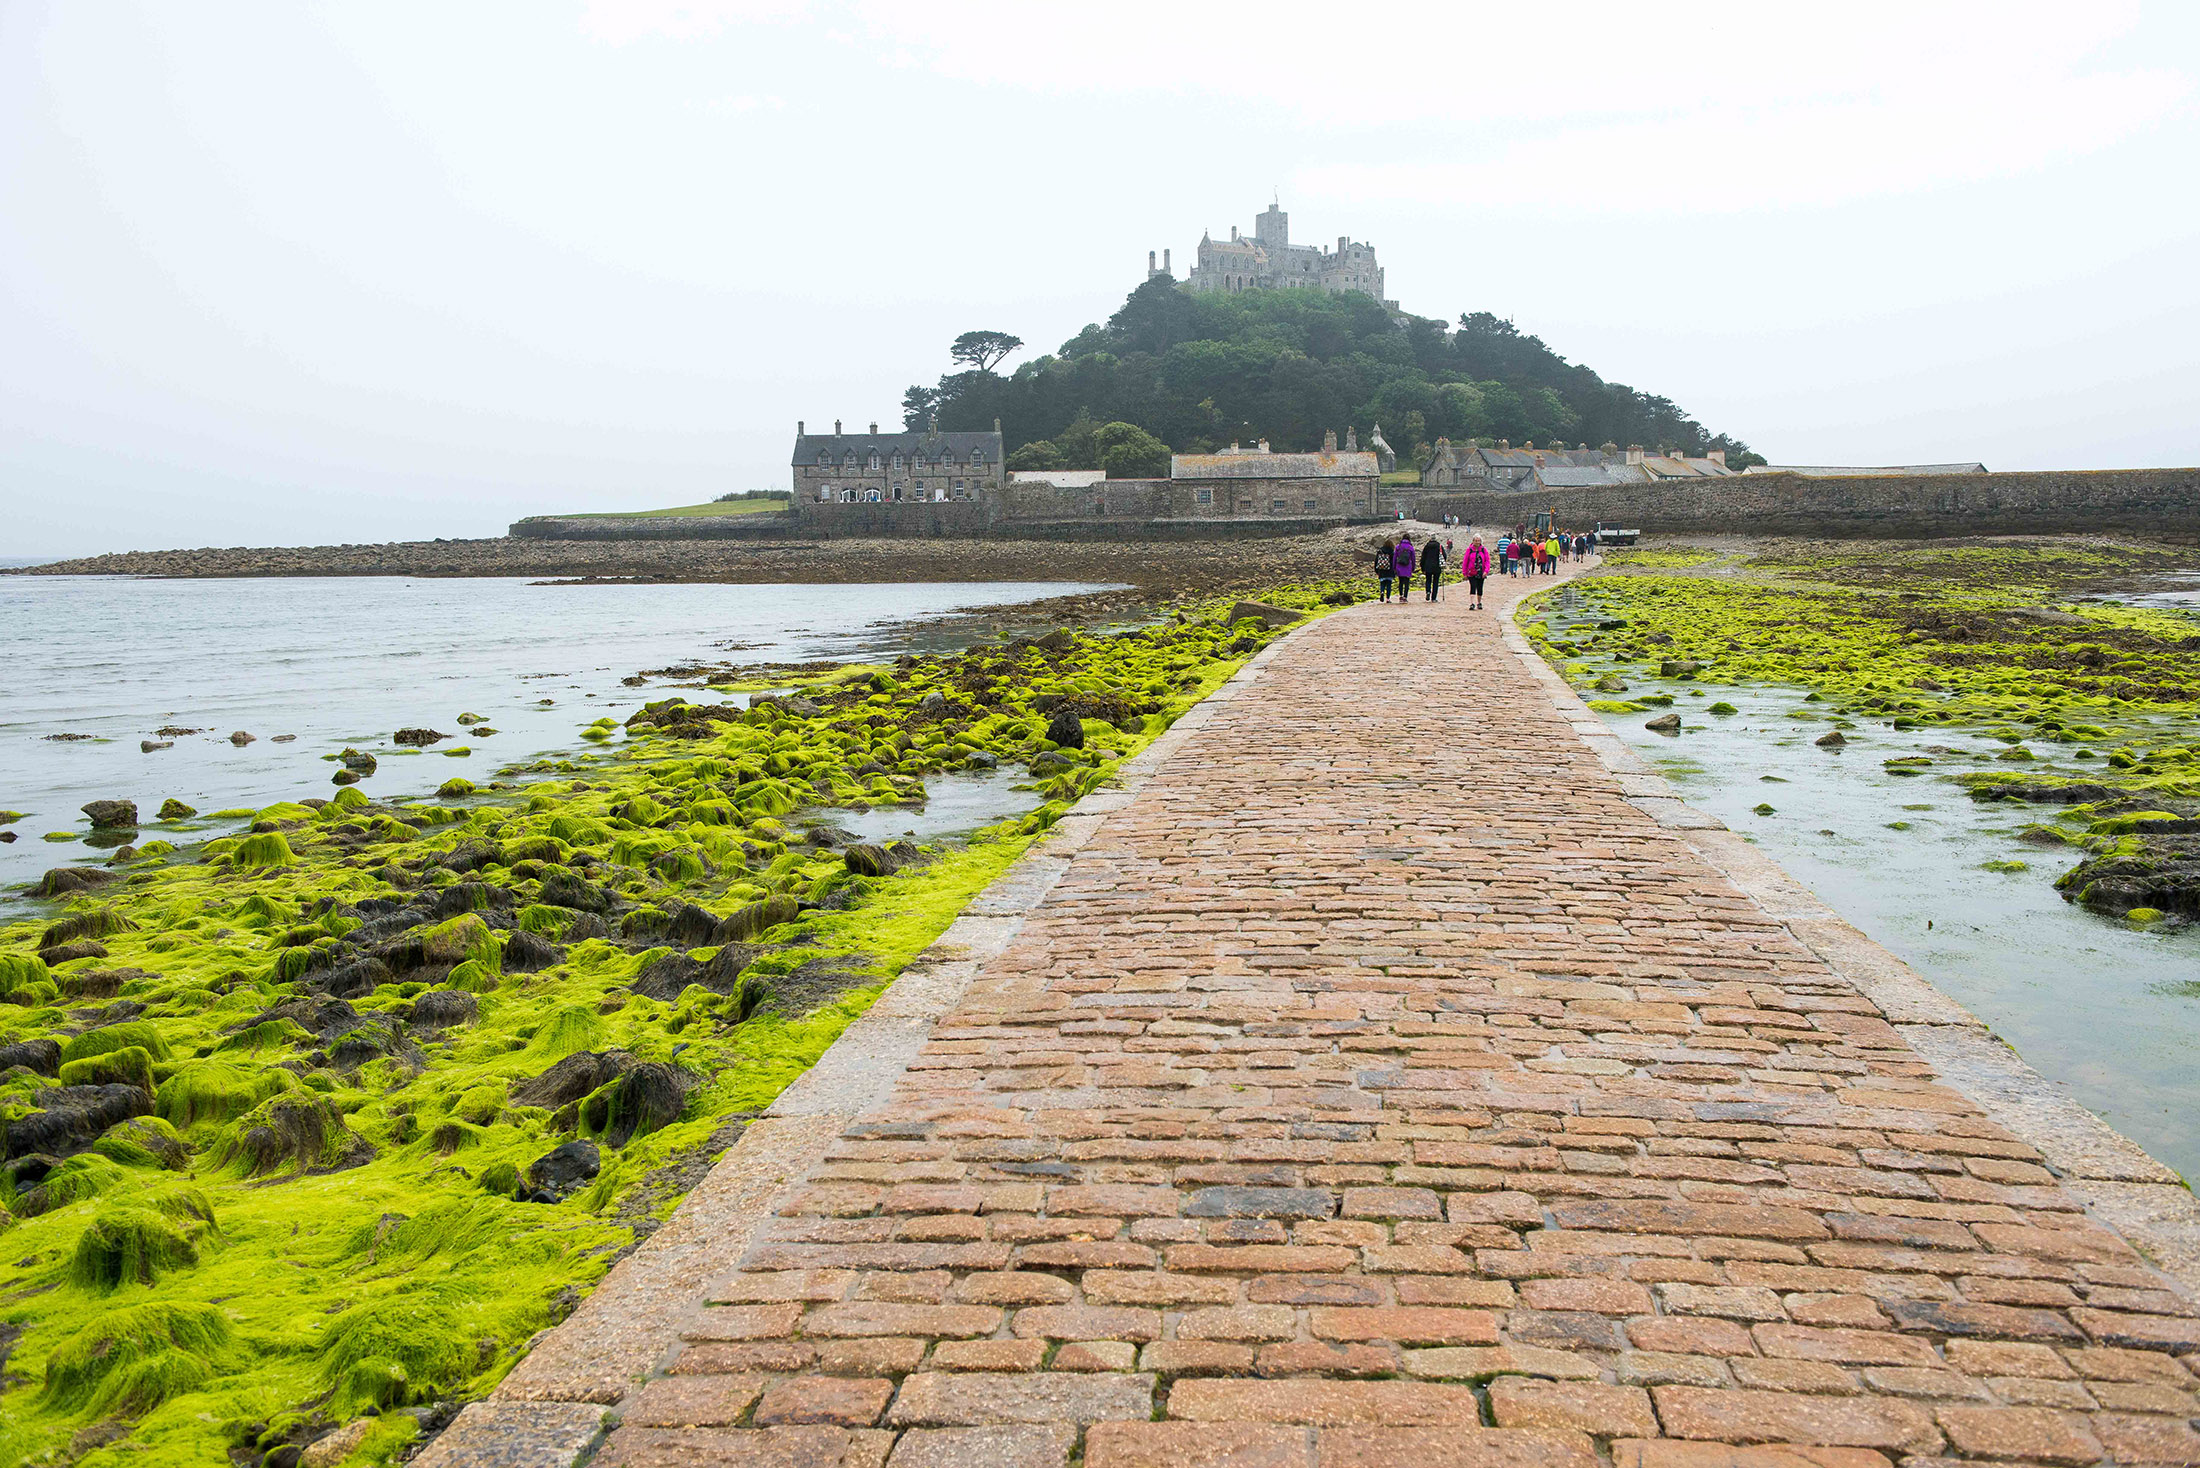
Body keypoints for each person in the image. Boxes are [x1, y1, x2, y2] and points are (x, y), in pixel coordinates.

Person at [1461, 534, 1490, 610]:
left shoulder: (1484, 550)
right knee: (1472, 586)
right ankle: (1472, 603)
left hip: (1481, 572)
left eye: (1478, 541)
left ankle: (1479, 602)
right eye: (1476, 541)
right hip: (1471, 572)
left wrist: (1486, 571)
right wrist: (1464, 572)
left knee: (1480, 587)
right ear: (1473, 541)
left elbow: (1487, 561)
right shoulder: (1469, 550)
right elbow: (1465, 561)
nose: (1477, 542)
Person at [1419, 534, 1445, 601]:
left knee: (1428, 580)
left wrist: (1422, 567)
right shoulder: (1439, 546)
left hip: (1428, 566)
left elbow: (1423, 558)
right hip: (1437, 567)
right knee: (1435, 582)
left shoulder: (1427, 546)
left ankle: (1428, 591)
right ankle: (1434, 598)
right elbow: (1444, 556)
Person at [1392, 533, 1417, 602]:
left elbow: (1394, 557)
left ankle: (1400, 596)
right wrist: (1413, 567)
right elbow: (1413, 558)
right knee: (1406, 583)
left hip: (1399, 566)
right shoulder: (1410, 547)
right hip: (1407, 566)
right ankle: (1405, 597)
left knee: (1400, 582)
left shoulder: (1398, 546)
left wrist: (1394, 567)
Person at [1374, 536, 1397, 602]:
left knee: (1382, 583)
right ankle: (1388, 599)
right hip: (1389, 570)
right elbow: (1394, 561)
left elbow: (1376, 561)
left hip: (1381, 569)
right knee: (1389, 584)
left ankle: (1382, 592)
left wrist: (1376, 570)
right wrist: (1395, 570)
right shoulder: (1392, 552)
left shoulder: (1380, 551)